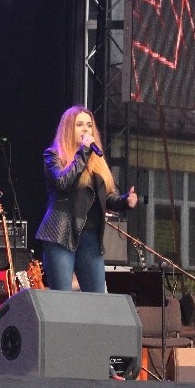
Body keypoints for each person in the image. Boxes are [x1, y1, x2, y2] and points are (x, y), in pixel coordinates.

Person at [36, 106, 137, 293]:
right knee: (63, 298)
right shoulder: (54, 155)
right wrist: (83, 152)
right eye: (80, 125)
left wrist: (125, 201)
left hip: (90, 239)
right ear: (68, 129)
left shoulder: (95, 160)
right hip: (61, 235)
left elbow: (106, 197)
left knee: (97, 298)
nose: (85, 129)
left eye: (89, 125)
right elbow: (63, 183)